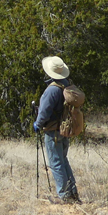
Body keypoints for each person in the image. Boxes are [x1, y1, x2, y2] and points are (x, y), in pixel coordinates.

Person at [33, 55, 80, 203]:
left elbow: (45, 112)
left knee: (56, 163)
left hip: (52, 131)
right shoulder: (67, 85)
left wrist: (38, 124)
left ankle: (64, 196)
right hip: (64, 130)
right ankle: (72, 193)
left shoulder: (52, 90)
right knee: (63, 161)